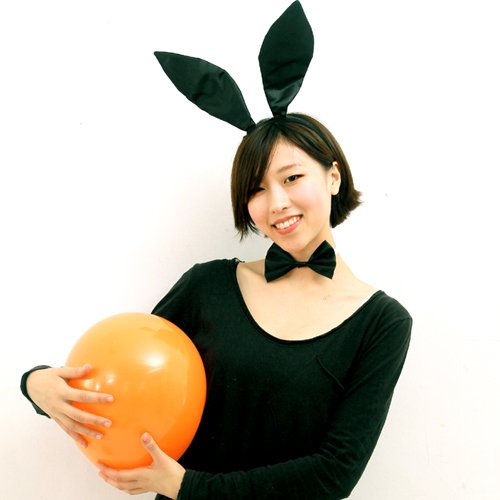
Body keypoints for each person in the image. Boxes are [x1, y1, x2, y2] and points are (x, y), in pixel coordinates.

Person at [20, 3, 412, 499]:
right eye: (257, 189)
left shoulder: (383, 323)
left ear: (333, 176)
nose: (277, 203)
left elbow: (334, 474)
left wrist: (190, 487)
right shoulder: (207, 286)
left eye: (292, 177)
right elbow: (123, 379)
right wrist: (36, 384)